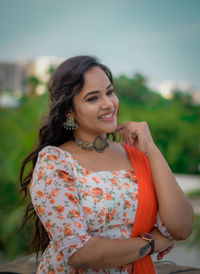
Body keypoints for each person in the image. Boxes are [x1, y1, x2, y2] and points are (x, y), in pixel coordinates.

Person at [20, 56, 194, 274]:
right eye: (93, 98)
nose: (109, 104)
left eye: (110, 92)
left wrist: (153, 152)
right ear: (69, 111)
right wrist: (153, 243)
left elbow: (182, 227)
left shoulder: (136, 155)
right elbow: (80, 253)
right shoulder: (56, 162)